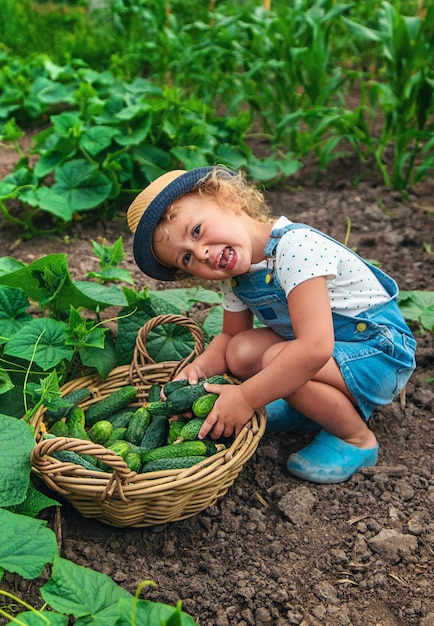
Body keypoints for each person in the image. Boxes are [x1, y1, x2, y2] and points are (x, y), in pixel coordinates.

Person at [127, 166, 417, 484]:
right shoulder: (236, 274)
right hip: (335, 353)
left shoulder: (296, 249)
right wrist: (198, 369)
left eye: (196, 231)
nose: (202, 254)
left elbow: (314, 349)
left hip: (378, 354)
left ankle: (356, 439)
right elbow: (230, 336)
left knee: (278, 360)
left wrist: (247, 398)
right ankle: (306, 408)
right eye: (186, 259)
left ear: (230, 199)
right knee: (240, 351)